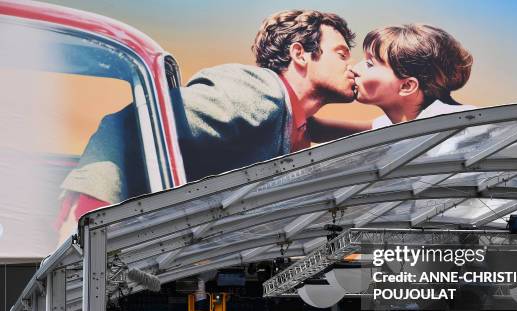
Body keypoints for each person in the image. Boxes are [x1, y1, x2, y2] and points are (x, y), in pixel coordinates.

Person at [57, 9, 356, 234]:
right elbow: (131, 121)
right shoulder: (259, 94)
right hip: (96, 218)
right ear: (299, 54)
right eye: (341, 54)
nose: (352, 68)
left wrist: (381, 127)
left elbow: (312, 127)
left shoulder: (286, 115)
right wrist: (91, 210)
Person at [352, 24, 476, 128]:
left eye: (369, 64)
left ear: (407, 86)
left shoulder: (461, 122)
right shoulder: (389, 124)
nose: (354, 69)